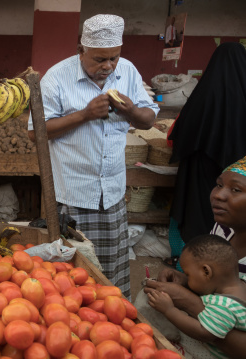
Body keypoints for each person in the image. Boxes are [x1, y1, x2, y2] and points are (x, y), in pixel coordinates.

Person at [27, 14, 159, 299]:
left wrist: (131, 112)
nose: (108, 66)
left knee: (111, 273)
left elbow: (148, 119)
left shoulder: (128, 71)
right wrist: (84, 115)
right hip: (72, 194)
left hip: (111, 194)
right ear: (80, 50)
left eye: (113, 58)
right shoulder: (57, 77)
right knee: (74, 275)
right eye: (99, 59)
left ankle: (113, 315)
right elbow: (34, 131)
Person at [145, 155, 246, 359]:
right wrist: (186, 281)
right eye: (218, 185)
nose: (218, 195)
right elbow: (218, 279)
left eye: (236, 189)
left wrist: (189, 302)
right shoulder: (223, 228)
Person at [167, 43, 246, 245]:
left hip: (201, 169)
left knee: (201, 212)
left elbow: (181, 130)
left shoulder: (203, 93)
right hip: (238, 174)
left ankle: (196, 256)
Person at [148, 234, 246, 359]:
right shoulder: (242, 283)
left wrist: (169, 310)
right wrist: (185, 282)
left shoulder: (223, 306)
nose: (187, 279)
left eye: (188, 275)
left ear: (206, 272)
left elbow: (203, 332)